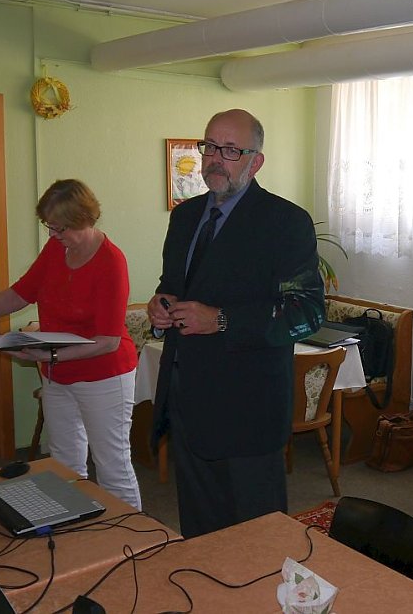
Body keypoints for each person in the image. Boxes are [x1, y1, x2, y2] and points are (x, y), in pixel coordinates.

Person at [147, 109, 325, 538]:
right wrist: (159, 309)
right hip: (188, 404)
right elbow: (172, 285)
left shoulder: (285, 222)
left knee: (256, 542)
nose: (214, 159)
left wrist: (222, 320)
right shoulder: (185, 216)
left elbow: (307, 313)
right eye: (209, 147)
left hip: (248, 411)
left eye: (230, 150)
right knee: (201, 539)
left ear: (255, 161)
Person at [0, 179, 141, 509]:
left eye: (60, 228)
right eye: (48, 226)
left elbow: (108, 342)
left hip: (104, 376)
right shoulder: (57, 248)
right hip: (57, 373)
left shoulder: (111, 262)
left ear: (84, 220)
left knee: (113, 468)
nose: (53, 235)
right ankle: (75, 532)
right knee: (63, 463)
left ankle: (137, 547)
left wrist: (50, 355)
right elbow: (21, 292)